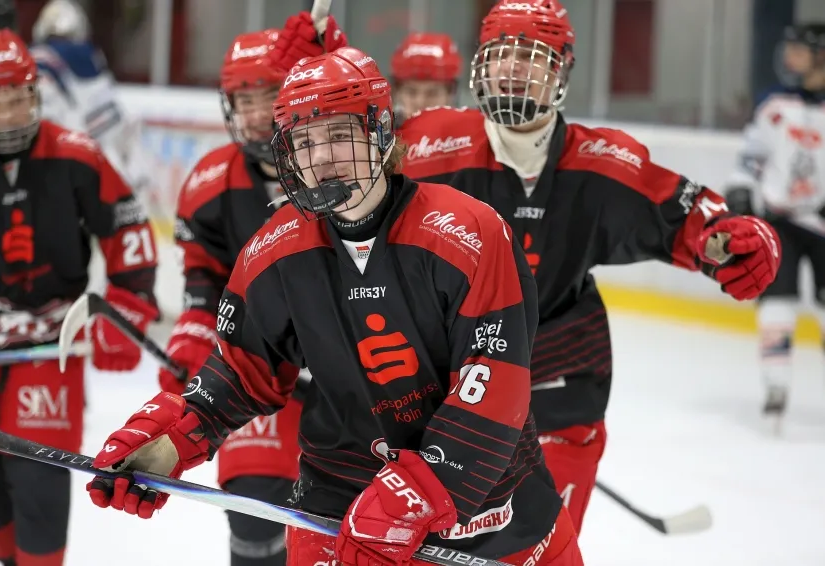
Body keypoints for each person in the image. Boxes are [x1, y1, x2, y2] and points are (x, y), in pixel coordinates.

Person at [267, 0, 782, 536]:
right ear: (479, 65)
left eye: (530, 56)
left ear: (561, 71)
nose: (512, 68)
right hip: (451, 401)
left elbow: (698, 221)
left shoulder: (604, 162)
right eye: (500, 54)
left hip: (561, 390)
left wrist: (736, 241)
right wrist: (323, 74)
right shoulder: (430, 141)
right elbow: (345, 148)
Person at [84, 46, 585, 566]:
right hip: (342, 503)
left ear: (381, 132)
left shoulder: (469, 233)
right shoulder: (274, 252)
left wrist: (417, 490)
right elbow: (241, 371)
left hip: (492, 510)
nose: (320, 157)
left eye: (340, 135)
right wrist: (171, 441)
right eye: (303, 141)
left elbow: (494, 385)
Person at [0, 29, 158, 566]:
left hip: (49, 349)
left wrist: (124, 312)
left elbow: (130, 232)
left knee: (38, 478)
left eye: (19, 100)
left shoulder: (77, 154)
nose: (10, 116)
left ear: (36, 95)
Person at [157, 29, 304, 566]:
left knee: (345, 518)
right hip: (256, 378)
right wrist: (191, 343)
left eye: (271, 96)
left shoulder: (338, 166)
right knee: (253, 510)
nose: (260, 114)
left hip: (348, 379)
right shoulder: (211, 183)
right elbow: (202, 287)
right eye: (246, 101)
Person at [725, 22, 825, 423]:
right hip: (778, 222)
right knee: (776, 304)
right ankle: (776, 388)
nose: (789, 57)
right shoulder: (774, 104)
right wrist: (740, 187)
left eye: (799, 49)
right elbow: (751, 156)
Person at [28, 0, 154, 195]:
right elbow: (115, 122)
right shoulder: (91, 55)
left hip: (44, 156)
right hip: (91, 151)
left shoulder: (30, 55)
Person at [390, 32, 461, 124]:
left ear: (450, 94)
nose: (420, 102)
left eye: (432, 93)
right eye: (411, 92)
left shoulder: (471, 135)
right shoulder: (378, 136)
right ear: (397, 93)